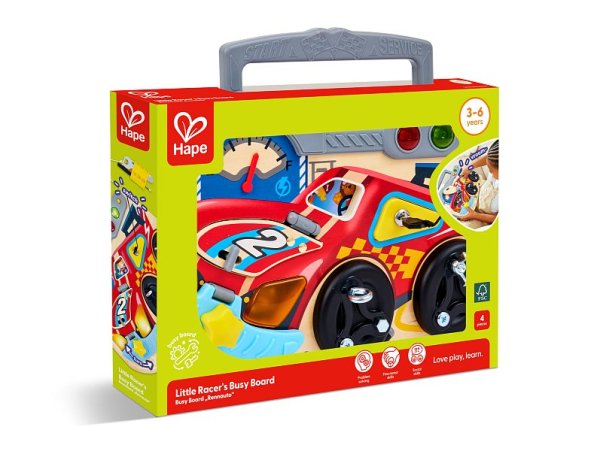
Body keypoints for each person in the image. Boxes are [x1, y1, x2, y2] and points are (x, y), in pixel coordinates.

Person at [458, 140, 499, 225]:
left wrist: (475, 215)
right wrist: (469, 167)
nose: (490, 172)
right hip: (481, 191)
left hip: (485, 214)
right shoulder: (496, 157)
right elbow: (489, 158)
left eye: (491, 171)